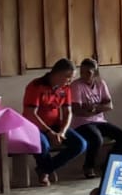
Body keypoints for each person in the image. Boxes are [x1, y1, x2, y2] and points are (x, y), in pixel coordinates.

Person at [22, 58, 86, 186]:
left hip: (56, 125)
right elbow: (30, 114)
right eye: (68, 77)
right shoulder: (36, 86)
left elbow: (68, 112)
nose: (70, 81)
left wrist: (62, 131)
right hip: (34, 127)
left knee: (80, 144)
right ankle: (46, 171)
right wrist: (49, 132)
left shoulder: (65, 88)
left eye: (72, 78)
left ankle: (45, 169)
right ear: (56, 73)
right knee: (43, 145)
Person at [68, 57, 122, 179]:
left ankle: (108, 165)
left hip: (99, 121)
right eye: (82, 72)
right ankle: (88, 166)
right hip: (81, 123)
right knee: (96, 139)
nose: (84, 75)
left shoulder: (101, 84)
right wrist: (97, 108)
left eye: (88, 73)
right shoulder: (76, 85)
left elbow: (109, 105)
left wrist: (93, 108)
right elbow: (77, 110)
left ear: (95, 73)